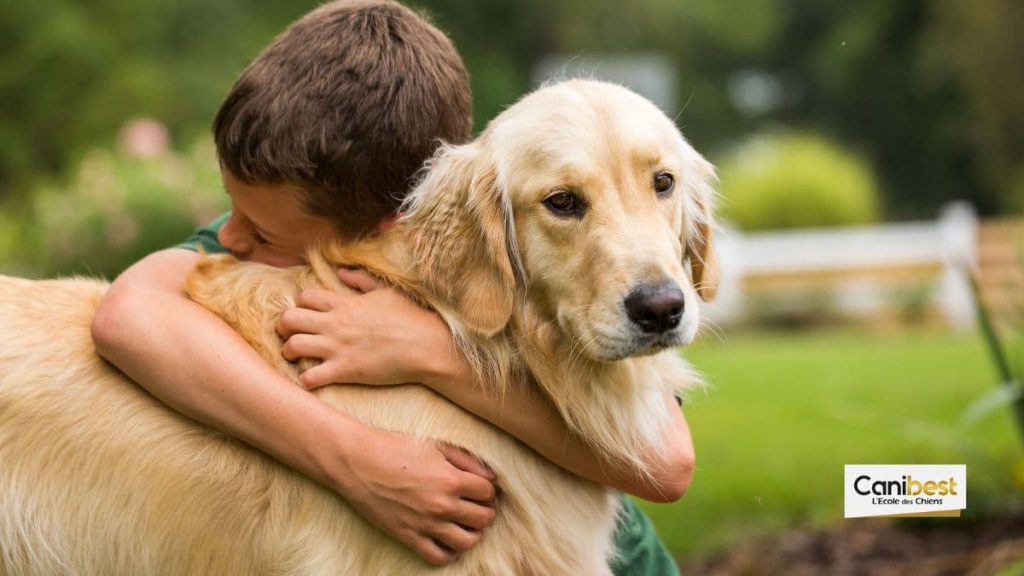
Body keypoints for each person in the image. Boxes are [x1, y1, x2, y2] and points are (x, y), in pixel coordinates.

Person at [90, 0, 693, 572]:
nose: (233, 239)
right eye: (232, 210)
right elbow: (127, 316)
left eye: (264, 229)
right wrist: (354, 458)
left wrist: (431, 355)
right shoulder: (281, 222)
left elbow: (667, 465)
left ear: (388, 226)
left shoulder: (474, 229)